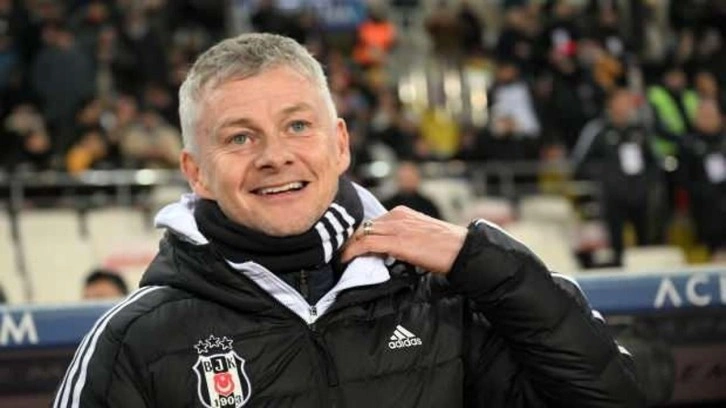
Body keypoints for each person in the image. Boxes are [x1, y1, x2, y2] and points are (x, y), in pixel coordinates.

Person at [53, 33, 644, 407]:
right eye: (239, 137)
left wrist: (481, 260)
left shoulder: (444, 297)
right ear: (196, 173)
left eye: (297, 125)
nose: (275, 155)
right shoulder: (133, 342)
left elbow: (611, 396)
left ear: (340, 144)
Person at [572, 88, 665, 266]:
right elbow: (580, 163)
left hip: (640, 195)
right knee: (616, 245)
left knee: (645, 242)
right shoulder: (598, 129)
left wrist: (647, 182)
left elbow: (654, 161)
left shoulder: (640, 130)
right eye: (620, 102)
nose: (625, 107)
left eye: (627, 102)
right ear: (611, 104)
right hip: (612, 196)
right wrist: (607, 174)